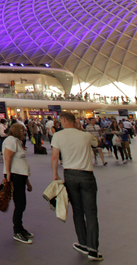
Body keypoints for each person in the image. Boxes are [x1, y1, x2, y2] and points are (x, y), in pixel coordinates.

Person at [51, 111, 103, 261]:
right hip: (86, 175)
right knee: (91, 212)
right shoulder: (85, 135)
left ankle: (83, 243)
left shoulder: (58, 136)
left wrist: (55, 174)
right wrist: (81, 129)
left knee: (78, 211)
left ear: (65, 120)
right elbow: (98, 142)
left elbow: (55, 157)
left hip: (70, 175)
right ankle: (93, 249)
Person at [3, 123, 33, 244]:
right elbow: (7, 157)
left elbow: (21, 163)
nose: (24, 133)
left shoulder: (16, 141)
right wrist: (8, 175)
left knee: (21, 203)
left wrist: (28, 182)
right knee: (20, 203)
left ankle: (20, 228)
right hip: (15, 176)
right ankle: (17, 231)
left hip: (20, 176)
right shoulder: (11, 141)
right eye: (22, 131)